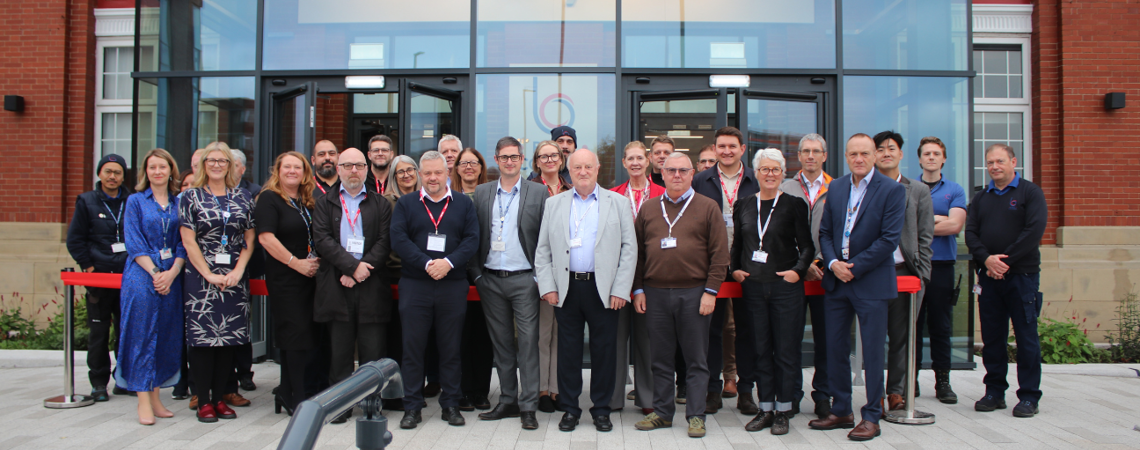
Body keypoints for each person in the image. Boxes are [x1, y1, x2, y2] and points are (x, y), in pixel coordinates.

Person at [807, 133, 906, 441]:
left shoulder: (892, 190)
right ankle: (841, 410)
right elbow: (825, 232)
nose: (859, 159)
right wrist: (834, 263)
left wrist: (855, 267)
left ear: (874, 156)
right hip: (837, 281)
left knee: (874, 352)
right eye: (853, 154)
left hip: (871, 281)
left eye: (865, 153)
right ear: (846, 156)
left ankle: (872, 416)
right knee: (835, 347)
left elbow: (889, 239)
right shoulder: (836, 187)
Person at [534, 149, 637, 433]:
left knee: (604, 351)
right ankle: (569, 408)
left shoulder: (617, 202)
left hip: (603, 289)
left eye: (588, 167)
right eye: (577, 167)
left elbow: (629, 248)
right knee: (568, 352)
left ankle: (601, 409)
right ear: (569, 169)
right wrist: (548, 286)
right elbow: (542, 250)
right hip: (566, 288)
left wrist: (621, 289)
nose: (582, 171)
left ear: (597, 168)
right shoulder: (554, 204)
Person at [630, 152, 728, 438]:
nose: (676, 175)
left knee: (696, 359)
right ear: (661, 172)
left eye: (682, 171)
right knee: (660, 358)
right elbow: (638, 254)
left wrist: (710, 292)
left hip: (695, 293)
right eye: (670, 170)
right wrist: (638, 289)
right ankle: (662, 412)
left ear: (692, 173)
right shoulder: (648, 209)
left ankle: (696, 416)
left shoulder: (708, 207)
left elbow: (720, 255)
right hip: (656, 293)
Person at [390, 151, 480, 429]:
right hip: (415, 284)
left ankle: (451, 404)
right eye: (426, 173)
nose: (432, 178)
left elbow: (472, 239)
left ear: (447, 174)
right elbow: (399, 239)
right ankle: (412, 407)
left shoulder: (463, 203)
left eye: (437, 173)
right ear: (420, 175)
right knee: (413, 348)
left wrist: (449, 263)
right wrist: (428, 263)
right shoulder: (406, 204)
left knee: (450, 348)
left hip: (452, 285)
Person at [467, 137, 550, 430]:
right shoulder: (482, 192)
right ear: (496, 159)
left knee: (527, 344)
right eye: (504, 157)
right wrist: (477, 274)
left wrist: (540, 277)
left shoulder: (538, 193)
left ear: (522, 158)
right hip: (490, 279)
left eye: (514, 157)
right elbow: (473, 236)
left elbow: (546, 237)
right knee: (501, 344)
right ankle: (508, 400)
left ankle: (528, 406)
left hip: (525, 279)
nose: (510, 162)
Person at [733, 149, 815, 435]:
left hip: (785, 288)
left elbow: (807, 246)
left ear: (782, 173)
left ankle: (784, 410)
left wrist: (797, 271)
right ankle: (765, 408)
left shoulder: (794, 204)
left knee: (786, 352)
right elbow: (738, 245)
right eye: (765, 169)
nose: (770, 174)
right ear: (755, 173)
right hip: (754, 288)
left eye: (776, 170)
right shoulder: (743, 204)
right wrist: (735, 269)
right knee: (760, 351)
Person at [311, 148, 393, 424]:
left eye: (359, 165)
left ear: (367, 169)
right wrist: (350, 267)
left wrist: (360, 270)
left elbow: (384, 242)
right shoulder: (325, 203)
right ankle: (340, 406)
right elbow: (322, 240)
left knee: (372, 351)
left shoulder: (380, 203)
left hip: (371, 284)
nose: (353, 171)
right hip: (337, 284)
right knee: (340, 351)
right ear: (339, 169)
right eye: (347, 166)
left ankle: (371, 405)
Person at [965, 143, 1046, 418]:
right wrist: (987, 260)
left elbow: (1034, 230)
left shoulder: (1030, 192)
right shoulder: (981, 197)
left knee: (1026, 338)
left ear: (1013, 162)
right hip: (988, 278)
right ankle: (994, 392)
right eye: (989, 162)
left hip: (1021, 277)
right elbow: (971, 234)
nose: (994, 167)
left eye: (999, 161)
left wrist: (1004, 262)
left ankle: (1029, 397)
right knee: (992, 339)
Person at [179, 145, 257, 423]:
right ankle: (204, 401)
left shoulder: (243, 196)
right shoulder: (190, 197)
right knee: (203, 341)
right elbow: (188, 241)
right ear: (203, 164)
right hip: (201, 279)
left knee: (229, 340)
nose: (216, 165)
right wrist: (208, 274)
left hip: (234, 277)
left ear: (230, 165)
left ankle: (220, 398)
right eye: (211, 160)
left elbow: (249, 240)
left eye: (222, 160)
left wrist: (238, 270)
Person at [692, 126, 760, 415]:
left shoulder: (755, 180)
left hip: (748, 266)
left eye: (732, 146)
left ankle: (746, 391)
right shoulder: (700, 180)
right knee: (712, 331)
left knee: (747, 330)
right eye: (721, 146)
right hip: (712, 265)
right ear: (715, 149)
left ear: (742, 149)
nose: (727, 151)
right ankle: (712, 391)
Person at [115, 148, 185, 425]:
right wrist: (157, 272)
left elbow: (184, 243)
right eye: (152, 167)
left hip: (172, 276)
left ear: (171, 170)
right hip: (142, 276)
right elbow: (133, 242)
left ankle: (156, 396)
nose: (157, 172)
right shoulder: (134, 201)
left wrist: (172, 273)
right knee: (141, 334)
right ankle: (142, 397)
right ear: (145, 172)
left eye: (162, 167)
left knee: (165, 335)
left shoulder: (180, 202)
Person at [256, 152, 322, 416]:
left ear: (305, 172)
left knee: (303, 336)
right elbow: (266, 238)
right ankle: (296, 396)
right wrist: (296, 263)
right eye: (288, 167)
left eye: (298, 167)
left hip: (308, 278)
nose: (293, 171)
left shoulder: (306, 201)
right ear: (278, 171)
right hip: (287, 278)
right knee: (295, 337)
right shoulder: (269, 199)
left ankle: (286, 390)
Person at [873, 131, 934, 411]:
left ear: (900, 154)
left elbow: (925, 236)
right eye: (881, 149)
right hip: (871, 273)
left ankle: (896, 392)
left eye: (892, 148)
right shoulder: (864, 187)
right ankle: (873, 393)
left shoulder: (918, 190)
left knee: (902, 337)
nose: (886, 153)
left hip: (905, 272)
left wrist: (922, 272)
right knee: (872, 335)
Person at [66, 153, 131, 402]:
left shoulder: (132, 200)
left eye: (117, 172)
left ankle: (123, 379)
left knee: (126, 333)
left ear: (123, 175)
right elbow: (75, 239)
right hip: (100, 277)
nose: (112, 176)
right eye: (108, 171)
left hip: (127, 276)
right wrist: (88, 266)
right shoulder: (86, 201)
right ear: (99, 174)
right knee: (99, 333)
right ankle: (98, 384)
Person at [778, 133, 834, 419]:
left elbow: (841, 232)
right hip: (794, 276)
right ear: (798, 156)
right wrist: (802, 264)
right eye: (805, 151)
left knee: (826, 340)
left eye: (816, 151)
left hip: (826, 275)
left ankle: (823, 395)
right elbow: (779, 233)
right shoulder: (785, 187)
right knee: (790, 339)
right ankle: (792, 395)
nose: (811, 156)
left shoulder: (837, 188)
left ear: (824, 156)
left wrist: (821, 262)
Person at [609, 141, 665, 415]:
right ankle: (614, 396)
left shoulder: (663, 194)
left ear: (649, 161)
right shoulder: (612, 195)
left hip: (650, 275)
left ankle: (647, 398)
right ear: (623, 163)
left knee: (647, 340)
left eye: (640, 158)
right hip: (617, 277)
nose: (635, 163)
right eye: (630, 158)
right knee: (615, 340)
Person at [915, 136, 966, 404]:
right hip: (913, 265)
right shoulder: (909, 188)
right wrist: (937, 219)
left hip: (942, 266)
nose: (931, 157)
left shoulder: (955, 190)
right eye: (927, 153)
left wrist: (920, 224)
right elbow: (901, 227)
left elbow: (955, 226)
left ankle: (942, 382)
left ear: (943, 158)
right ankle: (909, 381)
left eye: (936, 153)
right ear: (920, 158)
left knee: (940, 327)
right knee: (910, 325)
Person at [447, 147, 494, 412]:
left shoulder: (490, 195)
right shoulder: (449, 196)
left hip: (486, 274)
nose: (468, 167)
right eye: (463, 163)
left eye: (473, 163)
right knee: (459, 335)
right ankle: (463, 390)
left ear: (481, 166)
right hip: (455, 274)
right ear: (456, 168)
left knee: (483, 335)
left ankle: (481, 391)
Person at [380, 154, 422, 411]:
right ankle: (393, 394)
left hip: (418, 274)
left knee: (413, 340)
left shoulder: (423, 200)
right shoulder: (387, 202)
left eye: (410, 170)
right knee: (394, 338)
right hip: (394, 276)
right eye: (400, 172)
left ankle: (411, 390)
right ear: (393, 177)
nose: (406, 175)